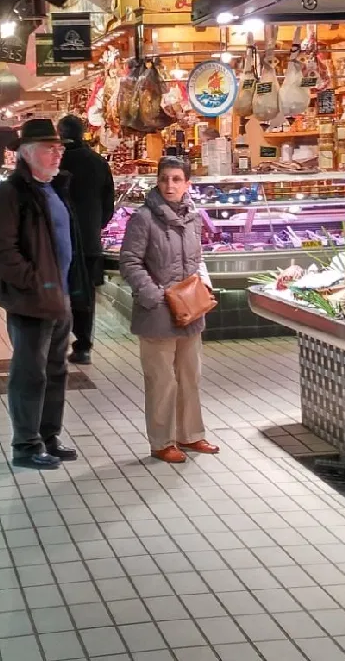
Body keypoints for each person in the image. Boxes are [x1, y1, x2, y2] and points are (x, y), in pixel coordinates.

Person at [0, 120, 91, 470]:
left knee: (56, 371)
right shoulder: (12, 194)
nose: (58, 153)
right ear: (27, 154)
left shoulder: (55, 189)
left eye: (59, 147)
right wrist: (35, 282)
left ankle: (48, 436)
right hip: (32, 301)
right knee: (29, 373)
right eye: (50, 148)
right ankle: (25, 445)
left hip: (59, 298)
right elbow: (0, 250)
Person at [119, 157, 218, 464]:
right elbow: (129, 261)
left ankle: (190, 435)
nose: (170, 185)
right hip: (158, 311)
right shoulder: (143, 218)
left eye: (177, 179)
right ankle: (162, 441)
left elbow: (197, 258)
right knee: (162, 380)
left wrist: (204, 285)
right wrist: (154, 295)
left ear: (187, 184)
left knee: (190, 376)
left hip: (190, 309)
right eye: (164, 179)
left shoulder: (193, 217)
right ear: (157, 182)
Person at [57, 115, 115, 365]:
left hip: (57, 242)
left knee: (57, 292)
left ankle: (55, 343)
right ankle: (83, 347)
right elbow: (108, 205)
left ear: (60, 133)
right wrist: (94, 226)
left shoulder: (53, 160)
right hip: (89, 242)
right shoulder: (98, 162)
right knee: (85, 296)